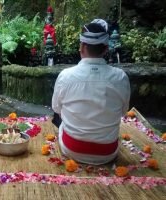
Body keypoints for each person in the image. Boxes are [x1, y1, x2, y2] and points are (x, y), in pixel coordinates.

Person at [52, 19, 130, 165]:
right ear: (106, 49)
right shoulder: (121, 77)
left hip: (72, 148)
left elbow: (57, 109)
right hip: (107, 152)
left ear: (81, 47)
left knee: (59, 117)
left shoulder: (66, 75)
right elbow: (123, 112)